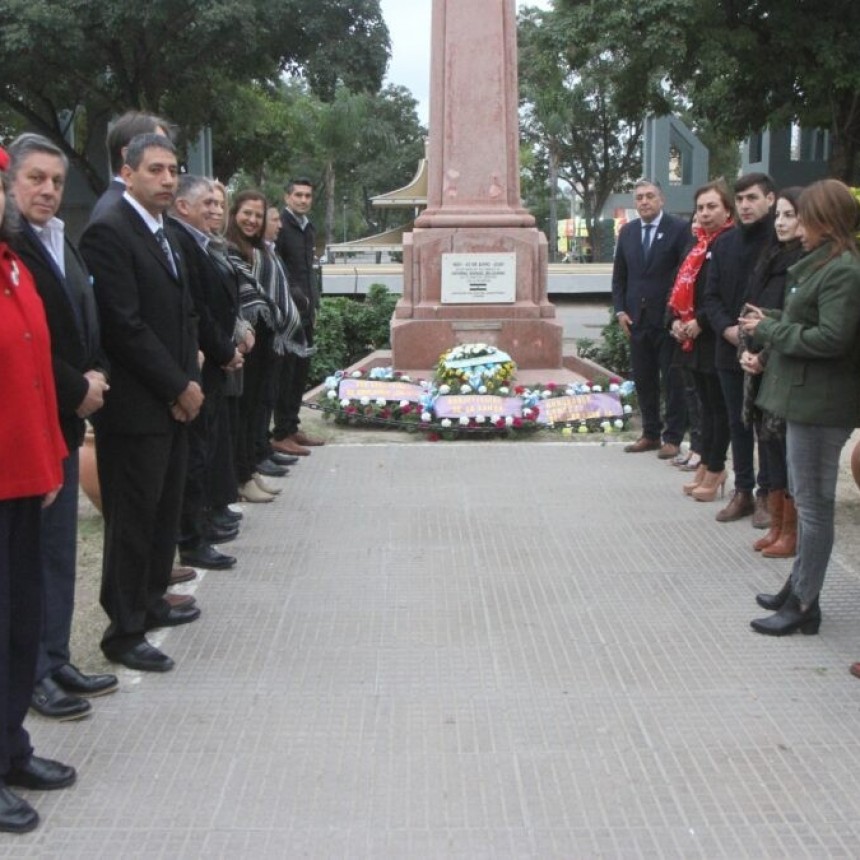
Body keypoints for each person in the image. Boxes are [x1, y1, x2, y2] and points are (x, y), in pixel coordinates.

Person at [80, 133, 202, 672]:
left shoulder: (164, 231)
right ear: (127, 174)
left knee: (162, 511)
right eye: (155, 170)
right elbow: (124, 326)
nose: (168, 179)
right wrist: (179, 385)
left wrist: (187, 378)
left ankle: (151, 602)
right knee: (132, 521)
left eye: (173, 170)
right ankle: (124, 630)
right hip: (135, 407)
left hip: (172, 400)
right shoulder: (110, 230)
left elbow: (180, 312)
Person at [7, 134, 118, 721]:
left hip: (68, 421)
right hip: (33, 423)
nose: (48, 190)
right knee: (29, 563)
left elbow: (82, 320)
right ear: (12, 185)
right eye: (35, 179)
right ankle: (34, 676)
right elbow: (25, 342)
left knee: (57, 552)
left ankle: (54, 656)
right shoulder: (14, 247)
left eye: (55, 180)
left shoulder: (60, 241)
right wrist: (79, 388)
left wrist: (96, 371)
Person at [740, 179, 860, 636]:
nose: (792, 225)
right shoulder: (824, 265)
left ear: (824, 220)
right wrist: (769, 320)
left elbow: (832, 339)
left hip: (820, 404)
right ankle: (798, 589)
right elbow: (809, 322)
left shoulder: (844, 270)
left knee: (813, 509)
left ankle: (805, 603)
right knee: (809, 504)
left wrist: (770, 333)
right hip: (806, 398)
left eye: (802, 216)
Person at [0, 144, 77, 834]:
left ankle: (11, 746)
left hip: (27, 476)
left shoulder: (15, 269)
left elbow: (35, 380)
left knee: (21, 621)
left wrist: (52, 457)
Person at [170, 175, 244, 570]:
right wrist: (224, 350)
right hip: (200, 362)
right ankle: (193, 538)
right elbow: (198, 308)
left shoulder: (202, 243)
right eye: (208, 204)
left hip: (213, 358)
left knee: (207, 447)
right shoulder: (182, 242)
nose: (216, 210)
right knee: (196, 454)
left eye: (219, 204)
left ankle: (201, 527)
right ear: (183, 206)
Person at [704, 173, 776, 524]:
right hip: (729, 346)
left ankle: (767, 494)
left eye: (752, 198)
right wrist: (726, 328)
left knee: (766, 426)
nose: (745, 205)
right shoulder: (724, 243)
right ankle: (743, 490)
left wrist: (757, 336)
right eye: (741, 199)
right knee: (738, 423)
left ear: (770, 200)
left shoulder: (779, 243)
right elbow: (711, 295)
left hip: (766, 352)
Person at [739, 187, 804, 557]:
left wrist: (763, 356)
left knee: (787, 450)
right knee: (769, 447)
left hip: (781, 366)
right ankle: (778, 525)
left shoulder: (803, 263)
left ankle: (790, 531)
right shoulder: (771, 256)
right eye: (778, 215)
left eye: (789, 215)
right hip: (759, 362)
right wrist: (748, 354)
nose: (780, 222)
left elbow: (792, 319)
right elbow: (753, 310)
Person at [667, 180, 735, 502]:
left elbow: (724, 295)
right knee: (706, 407)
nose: (705, 213)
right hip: (691, 340)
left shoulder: (729, 244)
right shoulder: (698, 245)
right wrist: (676, 322)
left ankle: (716, 466)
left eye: (712, 207)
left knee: (718, 409)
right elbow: (681, 289)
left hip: (713, 339)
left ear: (727, 210)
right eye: (701, 208)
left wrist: (699, 322)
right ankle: (707, 462)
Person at [612, 178, 689, 458]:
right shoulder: (628, 232)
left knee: (672, 380)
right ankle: (650, 433)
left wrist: (676, 314)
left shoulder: (679, 230)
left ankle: (673, 437)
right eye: (639, 197)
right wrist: (620, 310)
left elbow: (684, 275)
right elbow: (620, 276)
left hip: (667, 320)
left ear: (661, 200)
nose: (644, 201)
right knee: (644, 380)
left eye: (649, 196)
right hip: (636, 320)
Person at [272, 178, 324, 457]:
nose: (304, 200)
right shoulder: (281, 226)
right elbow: (280, 267)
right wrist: (294, 295)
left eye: (308, 195)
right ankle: (281, 432)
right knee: (287, 372)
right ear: (287, 197)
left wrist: (314, 301)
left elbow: (309, 270)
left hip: (306, 311)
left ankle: (292, 427)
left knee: (300, 372)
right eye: (299, 195)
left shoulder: (307, 227)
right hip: (288, 312)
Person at [90, 111, 170, 223]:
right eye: (158, 146)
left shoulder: (145, 207)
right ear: (127, 155)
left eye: (167, 147)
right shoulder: (114, 213)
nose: (167, 155)